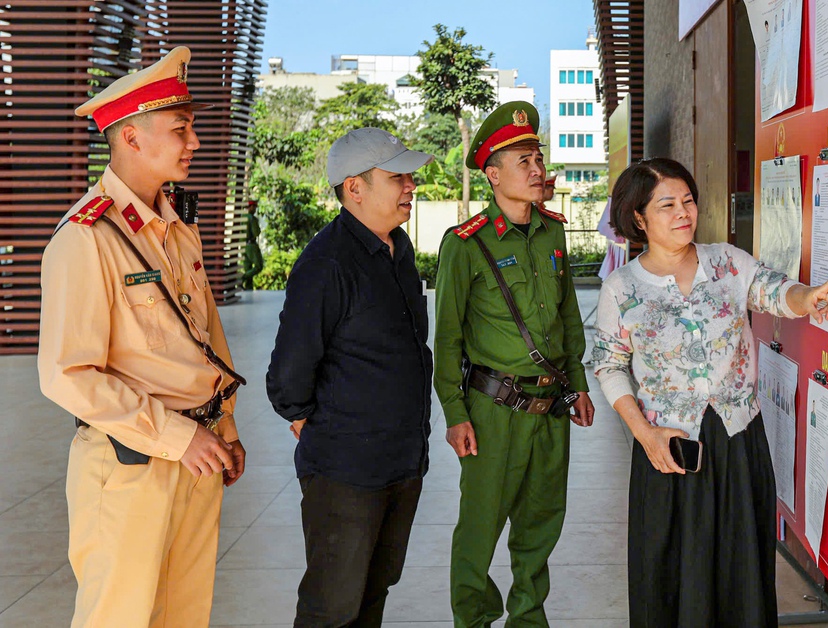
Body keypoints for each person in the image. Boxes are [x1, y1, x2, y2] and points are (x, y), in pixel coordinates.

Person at [38, 46, 248, 626]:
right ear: (130, 138)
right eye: (180, 129)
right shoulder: (86, 238)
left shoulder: (178, 228)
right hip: (132, 462)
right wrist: (178, 436)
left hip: (198, 454)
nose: (195, 143)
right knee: (121, 617)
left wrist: (224, 429)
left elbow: (205, 342)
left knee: (183, 615)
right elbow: (67, 374)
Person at [592, 157, 828, 627]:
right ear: (638, 218)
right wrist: (643, 434)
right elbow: (609, 365)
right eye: (667, 205)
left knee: (740, 565)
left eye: (688, 200)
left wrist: (807, 298)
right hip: (667, 447)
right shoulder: (622, 288)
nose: (683, 212)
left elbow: (773, 290)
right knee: (672, 571)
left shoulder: (727, 261)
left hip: (736, 439)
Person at [434, 101, 595, 628]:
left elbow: (569, 315)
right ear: (492, 173)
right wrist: (455, 414)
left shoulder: (551, 233)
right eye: (521, 160)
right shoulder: (465, 244)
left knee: (540, 527)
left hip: (551, 407)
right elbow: (448, 339)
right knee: (480, 530)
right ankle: (473, 621)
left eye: (537, 157)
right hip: (492, 411)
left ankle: (528, 620)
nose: (535, 169)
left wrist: (579, 385)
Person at [265, 127, 435, 627]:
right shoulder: (326, 262)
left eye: (409, 175)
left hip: (400, 461)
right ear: (354, 188)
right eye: (397, 176)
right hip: (346, 471)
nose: (411, 186)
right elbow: (289, 370)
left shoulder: (398, 251)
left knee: (371, 594)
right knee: (332, 606)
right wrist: (305, 419)